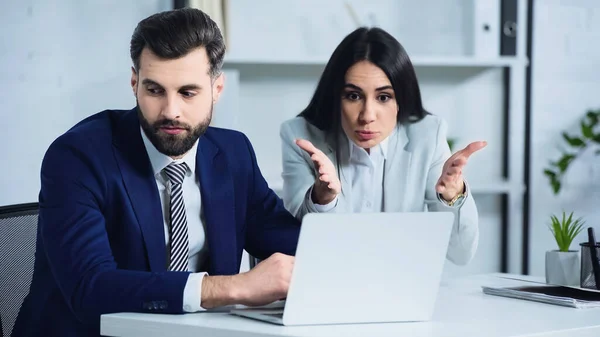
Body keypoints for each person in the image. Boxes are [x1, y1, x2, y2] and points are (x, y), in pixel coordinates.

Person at [12, 8, 299, 337]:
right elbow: (91, 288)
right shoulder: (77, 157)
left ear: (217, 89)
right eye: (155, 90)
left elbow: (289, 246)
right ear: (135, 83)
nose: (171, 111)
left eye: (188, 92)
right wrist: (232, 288)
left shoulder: (233, 154)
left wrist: (322, 202)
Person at [279, 27, 486, 266]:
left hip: (403, 287)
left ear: (402, 100)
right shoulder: (299, 136)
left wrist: (453, 195)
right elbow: (294, 249)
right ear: (335, 98)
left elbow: (461, 255)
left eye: (384, 97)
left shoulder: (428, 136)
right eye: (353, 96)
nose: (367, 116)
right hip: (327, 285)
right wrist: (322, 199)